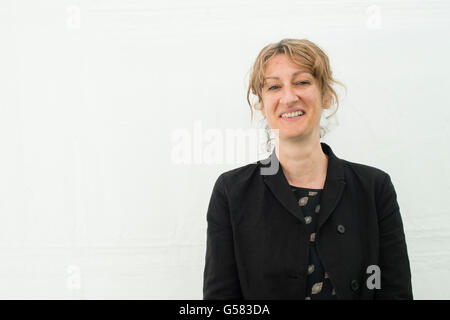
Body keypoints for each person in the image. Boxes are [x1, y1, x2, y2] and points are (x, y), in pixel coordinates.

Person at [203, 38, 413, 300]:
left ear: (326, 95)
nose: (289, 97)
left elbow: (395, 291)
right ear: (261, 103)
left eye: (302, 82)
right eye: (274, 86)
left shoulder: (374, 187)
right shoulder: (231, 192)